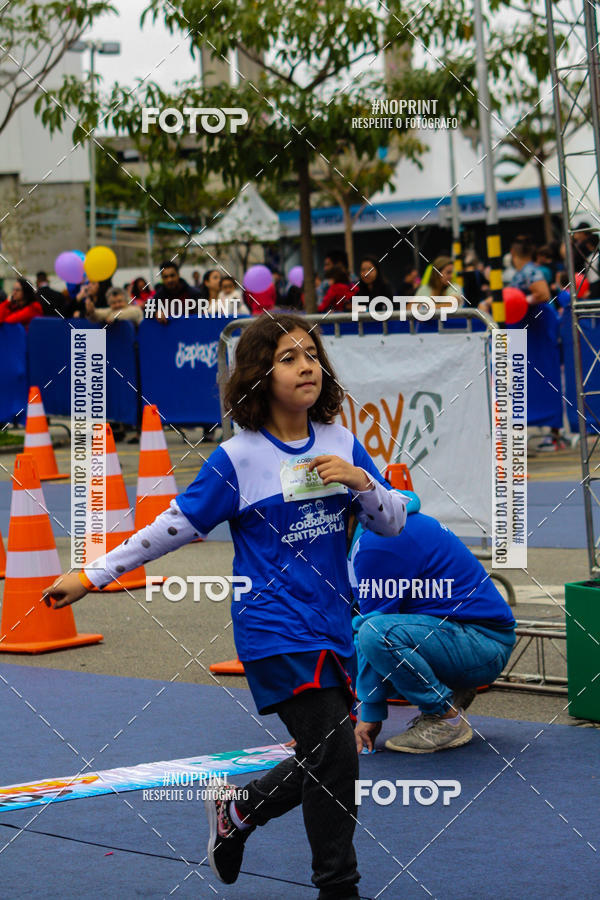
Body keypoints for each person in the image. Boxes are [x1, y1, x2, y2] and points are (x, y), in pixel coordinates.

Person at [43, 312, 408, 899]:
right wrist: (93, 573)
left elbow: (391, 524)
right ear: (260, 375)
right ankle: (338, 888)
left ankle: (239, 809)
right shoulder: (238, 458)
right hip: (274, 627)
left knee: (329, 756)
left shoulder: (341, 443)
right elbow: (173, 527)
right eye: (288, 358)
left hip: (333, 624)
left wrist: (360, 481)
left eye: (311, 355)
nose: (306, 366)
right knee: (336, 753)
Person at [350, 511, 516, 754]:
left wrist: (370, 712)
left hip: (482, 644)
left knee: (374, 634)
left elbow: (370, 628)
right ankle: (454, 689)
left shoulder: (377, 542)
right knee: (370, 634)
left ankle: (445, 718)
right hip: (473, 638)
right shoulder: (388, 520)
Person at [149, 260, 200, 324]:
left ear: (178, 275)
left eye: (172, 275)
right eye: (165, 277)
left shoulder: (194, 294)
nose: (169, 280)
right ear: (162, 278)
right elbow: (147, 310)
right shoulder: (159, 296)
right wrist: (156, 312)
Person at [509, 239, 551, 305]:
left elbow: (543, 294)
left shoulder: (529, 270)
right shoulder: (523, 271)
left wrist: (521, 301)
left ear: (512, 252)